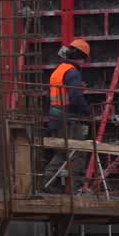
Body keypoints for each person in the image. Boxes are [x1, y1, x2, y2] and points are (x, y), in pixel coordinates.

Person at [43, 38, 93, 190]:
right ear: (80, 57)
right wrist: (87, 111)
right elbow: (75, 97)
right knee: (78, 151)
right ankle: (77, 188)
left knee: (63, 152)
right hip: (68, 119)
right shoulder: (72, 73)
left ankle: (47, 182)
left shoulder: (59, 70)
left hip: (55, 117)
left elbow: (57, 94)